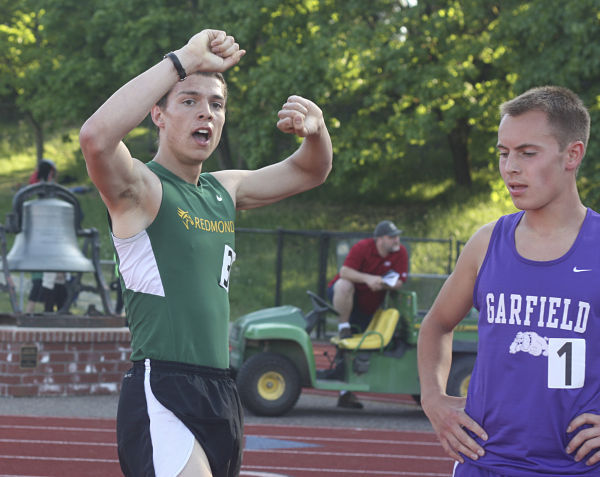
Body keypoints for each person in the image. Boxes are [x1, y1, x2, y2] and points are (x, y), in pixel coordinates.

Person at [79, 30, 332, 477]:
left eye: (216, 104)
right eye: (190, 101)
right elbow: (96, 137)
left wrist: (316, 132)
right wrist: (181, 59)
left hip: (220, 390)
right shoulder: (142, 189)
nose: (206, 114)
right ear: (157, 113)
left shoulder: (224, 190)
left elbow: (309, 170)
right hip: (164, 387)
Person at [417, 86, 600, 476]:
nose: (510, 167)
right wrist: (433, 399)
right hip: (485, 464)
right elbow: (436, 325)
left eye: (527, 153)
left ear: (573, 154)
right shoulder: (487, 243)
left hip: (578, 469)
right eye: (503, 153)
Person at [327, 219, 408, 408]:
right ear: (380, 239)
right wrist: (368, 279)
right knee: (344, 284)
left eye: (397, 236)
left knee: (356, 348)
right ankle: (343, 326)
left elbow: (400, 281)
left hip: (369, 306)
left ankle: (346, 393)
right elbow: (344, 271)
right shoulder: (362, 247)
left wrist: (385, 282)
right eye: (392, 236)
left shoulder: (400, 252)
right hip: (347, 298)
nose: (397, 240)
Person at [25, 158, 68, 314]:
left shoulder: (34, 186)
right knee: (50, 279)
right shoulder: (50, 188)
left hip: (41, 241)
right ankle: (52, 311)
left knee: (52, 280)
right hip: (51, 240)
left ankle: (55, 310)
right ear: (51, 172)